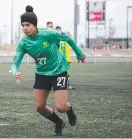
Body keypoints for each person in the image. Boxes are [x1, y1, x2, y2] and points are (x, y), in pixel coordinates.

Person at [12, 5, 86, 136]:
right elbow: (15, 62)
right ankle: (58, 123)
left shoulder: (48, 33)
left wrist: (79, 54)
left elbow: (67, 38)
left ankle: (69, 110)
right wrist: (15, 72)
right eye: (22, 25)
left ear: (34, 25)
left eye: (27, 25)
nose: (24, 28)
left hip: (59, 70)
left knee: (61, 107)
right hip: (41, 74)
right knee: (39, 107)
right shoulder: (23, 42)